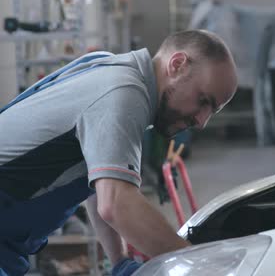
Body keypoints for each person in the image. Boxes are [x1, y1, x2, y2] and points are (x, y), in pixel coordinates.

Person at [0, 30, 238, 276]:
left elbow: (96, 182)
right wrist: (198, 267)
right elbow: (116, 203)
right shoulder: (124, 94)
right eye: (203, 101)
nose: (202, 121)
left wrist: (119, 261)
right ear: (177, 65)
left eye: (213, 111)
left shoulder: (110, 67)